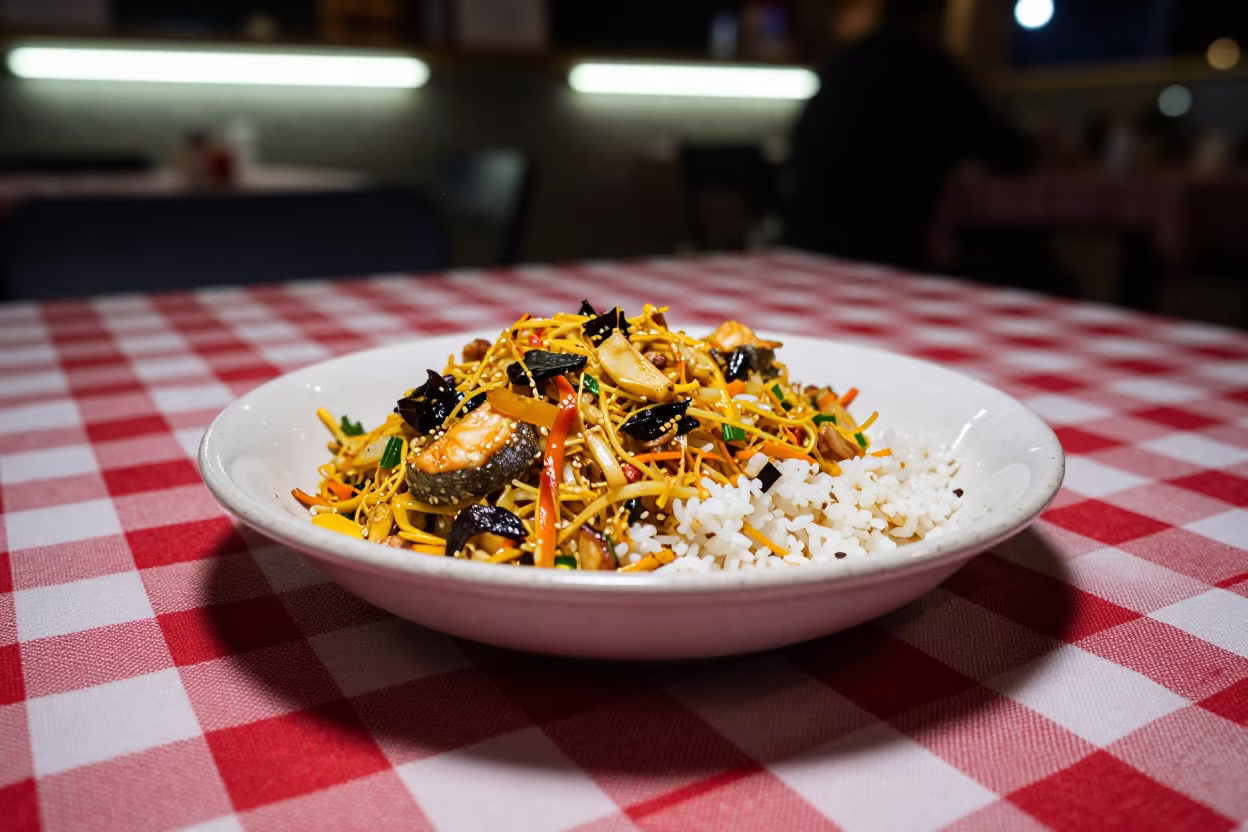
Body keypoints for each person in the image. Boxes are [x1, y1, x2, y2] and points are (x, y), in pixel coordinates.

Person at [786, 0, 1035, 270]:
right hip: (883, 257)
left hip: (806, 247)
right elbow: (1010, 153)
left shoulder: (844, 61)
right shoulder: (931, 67)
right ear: (933, 18)